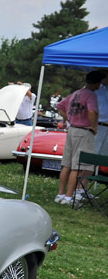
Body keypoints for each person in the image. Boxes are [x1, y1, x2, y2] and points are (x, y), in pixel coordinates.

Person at [53, 70, 104, 204]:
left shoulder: (76, 93)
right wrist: (94, 126)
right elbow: (92, 111)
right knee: (78, 166)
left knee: (66, 165)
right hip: (83, 131)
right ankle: (69, 197)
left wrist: (69, 118)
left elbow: (60, 106)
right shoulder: (91, 95)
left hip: (72, 129)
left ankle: (60, 194)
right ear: (97, 83)